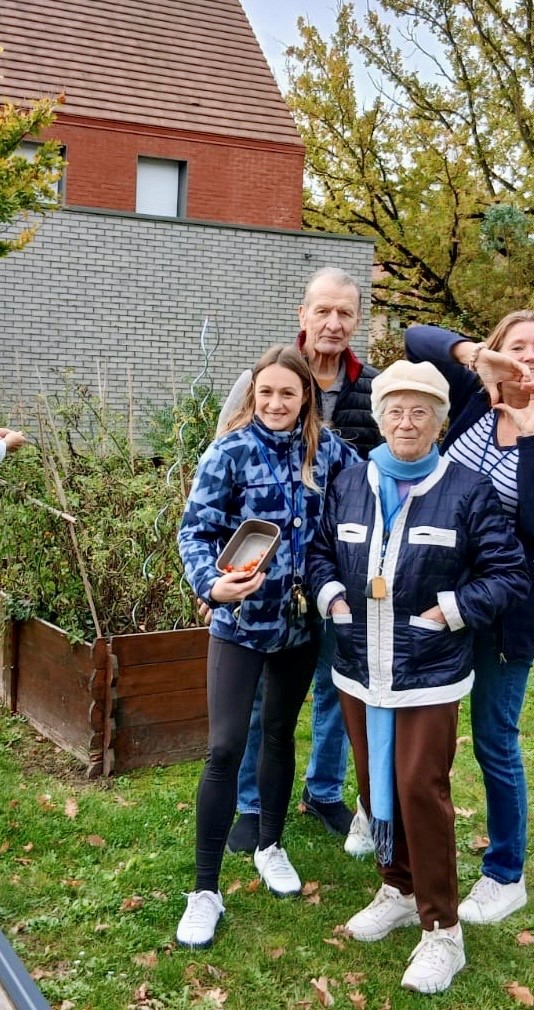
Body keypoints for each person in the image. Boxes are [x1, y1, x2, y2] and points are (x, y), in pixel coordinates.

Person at [308, 360, 529, 994]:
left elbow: (507, 574)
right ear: (380, 420)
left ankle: (442, 930)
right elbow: (320, 551)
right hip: (359, 667)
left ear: (439, 423)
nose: (407, 423)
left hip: (428, 670)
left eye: (421, 413)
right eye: (396, 412)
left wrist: (450, 611)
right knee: (375, 785)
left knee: (417, 788)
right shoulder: (350, 482)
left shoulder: (466, 490)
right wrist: (330, 596)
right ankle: (398, 888)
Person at [405, 310, 534, 925]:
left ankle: (506, 873)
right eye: (518, 345)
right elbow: (416, 339)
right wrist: (472, 355)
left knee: (493, 740)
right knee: (417, 731)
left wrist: (531, 436)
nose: (530, 357)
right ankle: (397, 840)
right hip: (434, 596)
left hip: (506, 613)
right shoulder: (472, 400)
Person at [176, 344, 360, 950]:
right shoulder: (229, 452)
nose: (276, 403)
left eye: (288, 393)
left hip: (300, 627)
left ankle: (270, 844)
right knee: (225, 748)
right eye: (266, 393)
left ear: (306, 396)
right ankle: (205, 891)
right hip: (239, 625)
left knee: (280, 734)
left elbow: (370, 489)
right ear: (253, 396)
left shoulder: (328, 452)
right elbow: (195, 530)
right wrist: (211, 584)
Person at [217, 267, 381, 857]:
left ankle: (323, 790)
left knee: (338, 685)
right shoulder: (263, 378)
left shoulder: (373, 388)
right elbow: (222, 469)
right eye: (323, 311)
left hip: (340, 569)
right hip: (266, 575)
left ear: (356, 320)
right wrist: (219, 574)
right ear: (303, 314)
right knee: (263, 697)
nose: (334, 323)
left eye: (345, 313)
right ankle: (251, 804)